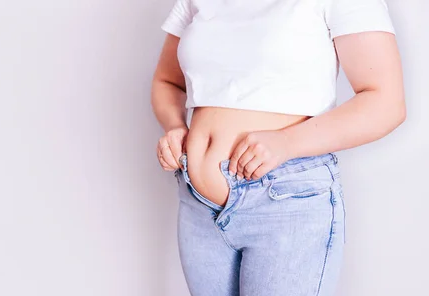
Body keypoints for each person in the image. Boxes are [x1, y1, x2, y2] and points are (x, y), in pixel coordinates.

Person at [150, 0, 406, 295]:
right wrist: (175, 128)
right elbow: (166, 81)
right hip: (198, 207)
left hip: (285, 202)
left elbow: (386, 102)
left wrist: (288, 142)